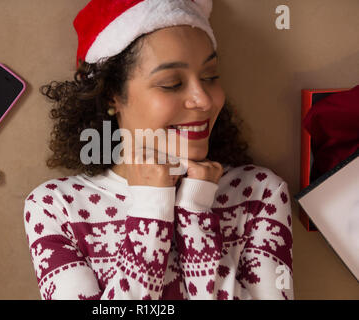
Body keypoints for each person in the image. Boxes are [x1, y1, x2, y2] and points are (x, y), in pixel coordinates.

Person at [23, 0, 294, 300]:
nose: (203, 99)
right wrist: (152, 209)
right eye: (171, 83)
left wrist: (196, 214)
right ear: (113, 95)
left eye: (210, 77)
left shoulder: (259, 194)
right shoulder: (56, 208)